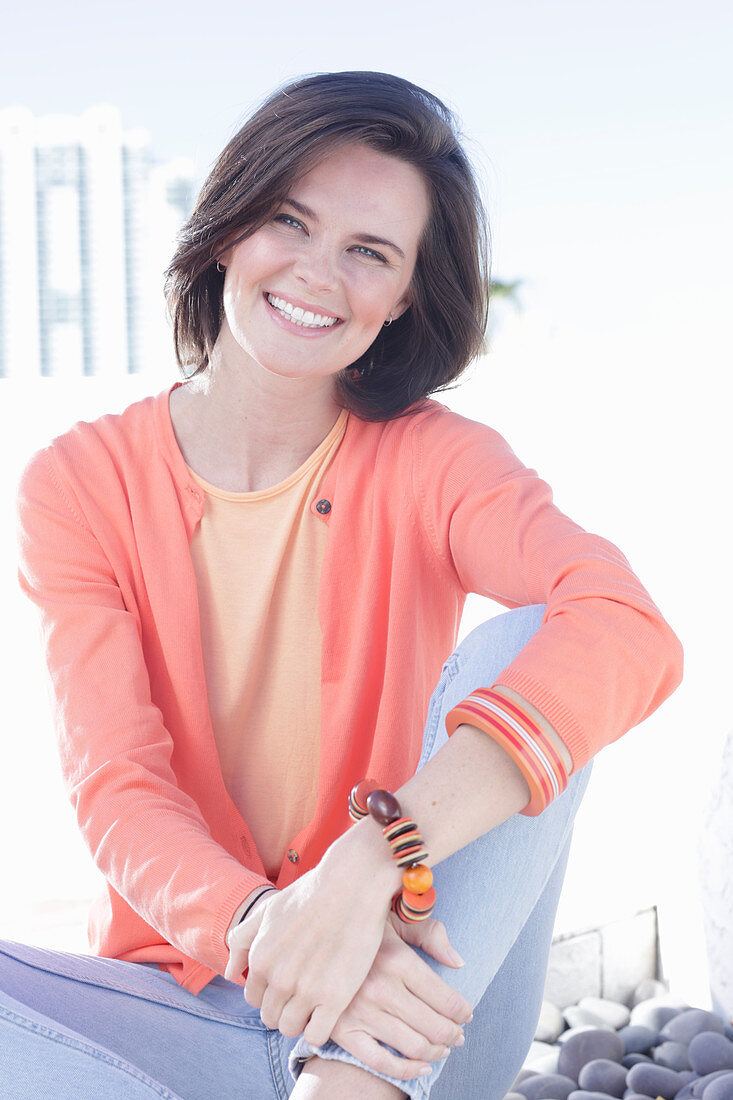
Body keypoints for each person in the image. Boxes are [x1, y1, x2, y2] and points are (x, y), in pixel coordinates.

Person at [1, 71, 682, 1100]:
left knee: (540, 634)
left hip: (418, 1029)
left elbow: (627, 624)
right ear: (231, 225)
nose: (318, 272)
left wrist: (371, 859)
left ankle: (346, 1086)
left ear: (404, 292)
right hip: (194, 1005)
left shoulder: (435, 463)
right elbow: (118, 789)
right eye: (290, 220)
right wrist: (267, 928)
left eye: (369, 251)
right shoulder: (80, 482)